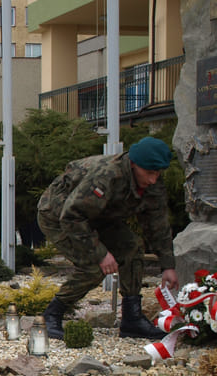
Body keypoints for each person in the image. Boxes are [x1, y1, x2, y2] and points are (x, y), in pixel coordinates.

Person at [38, 136, 179, 340]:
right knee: (93, 267)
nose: (153, 180)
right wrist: (101, 254)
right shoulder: (107, 175)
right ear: (133, 165)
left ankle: (132, 319)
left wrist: (168, 266)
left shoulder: (152, 182)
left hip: (99, 217)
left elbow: (157, 224)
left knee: (132, 248)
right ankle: (51, 315)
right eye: (149, 173)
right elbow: (72, 216)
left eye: (157, 173)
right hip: (58, 216)